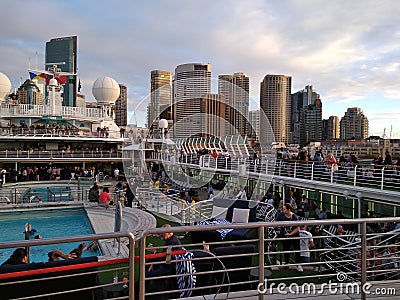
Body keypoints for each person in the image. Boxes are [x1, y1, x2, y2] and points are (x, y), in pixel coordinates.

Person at [276, 203, 302, 271]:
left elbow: (297, 228)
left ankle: (298, 264)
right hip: (285, 235)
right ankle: (287, 263)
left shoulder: (294, 217)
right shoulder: (281, 215)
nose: (283, 210)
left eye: (284, 209)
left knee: (297, 249)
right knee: (286, 249)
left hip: (294, 235)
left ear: (289, 210)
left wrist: (290, 234)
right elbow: (276, 222)